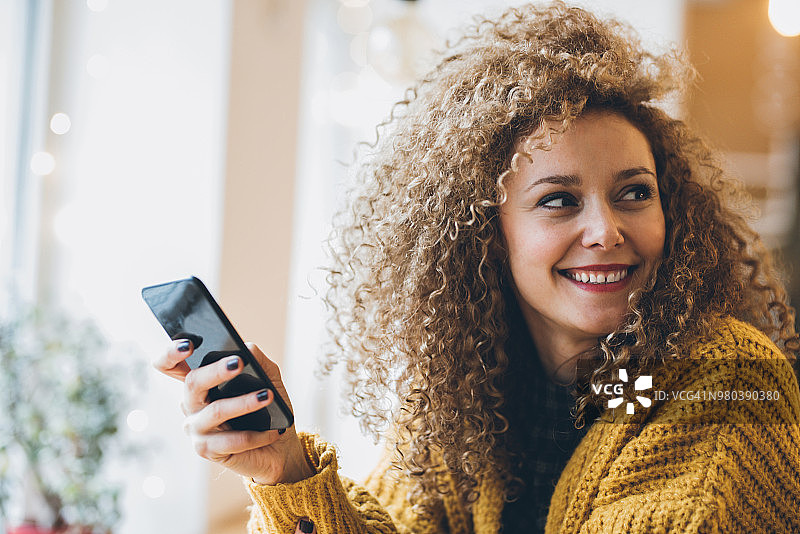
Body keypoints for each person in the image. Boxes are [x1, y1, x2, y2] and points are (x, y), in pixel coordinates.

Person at [155, 2, 800, 532]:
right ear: (484, 231)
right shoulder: (470, 382)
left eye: (635, 192)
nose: (607, 231)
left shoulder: (733, 380)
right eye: (559, 200)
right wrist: (286, 469)